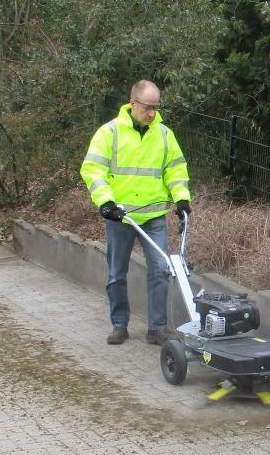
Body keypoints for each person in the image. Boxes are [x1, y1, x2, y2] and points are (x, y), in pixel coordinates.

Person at [80, 80, 192, 345]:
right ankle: (119, 325)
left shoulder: (164, 135)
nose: (152, 113)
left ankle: (157, 328)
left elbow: (175, 169)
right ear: (133, 103)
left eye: (155, 108)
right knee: (117, 273)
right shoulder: (109, 133)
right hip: (120, 216)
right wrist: (105, 202)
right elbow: (92, 169)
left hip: (153, 216)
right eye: (147, 107)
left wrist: (182, 199)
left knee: (162, 269)